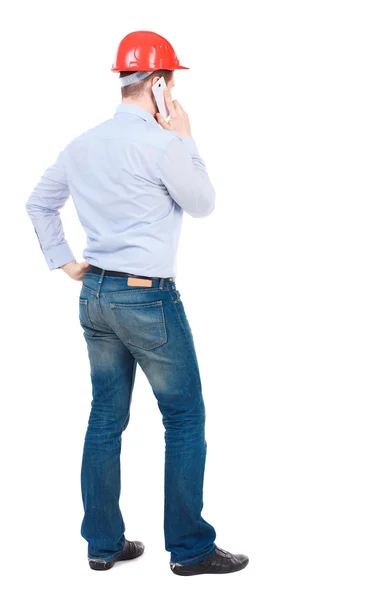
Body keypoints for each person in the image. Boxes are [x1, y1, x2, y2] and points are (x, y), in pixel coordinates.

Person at [25, 30, 249, 576]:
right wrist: (187, 137)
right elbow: (203, 204)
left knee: (105, 418)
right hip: (147, 301)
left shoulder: (83, 143)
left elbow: (39, 203)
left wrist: (65, 260)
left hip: (96, 295)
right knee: (185, 417)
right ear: (157, 84)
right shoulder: (164, 143)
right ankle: (192, 550)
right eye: (168, 81)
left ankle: (103, 544)